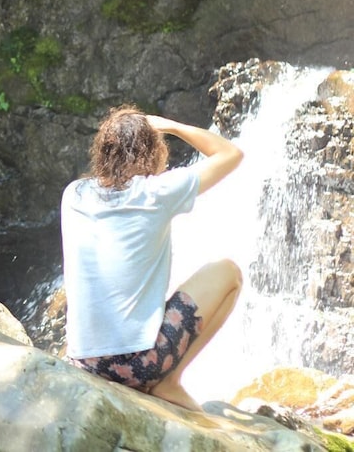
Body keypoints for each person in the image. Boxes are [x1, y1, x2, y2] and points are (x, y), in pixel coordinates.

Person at [61, 105, 244, 411]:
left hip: (84, 361)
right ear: (152, 150)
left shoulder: (74, 195)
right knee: (228, 273)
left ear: (104, 151)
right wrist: (171, 125)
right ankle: (169, 382)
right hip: (139, 366)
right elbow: (231, 154)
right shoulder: (156, 192)